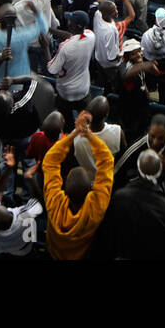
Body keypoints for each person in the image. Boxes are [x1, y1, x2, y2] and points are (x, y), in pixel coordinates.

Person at [42, 110, 114, 260]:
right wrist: (89, 135)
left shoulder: (54, 202)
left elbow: (50, 161)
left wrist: (74, 134)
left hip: (54, 253)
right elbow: (107, 161)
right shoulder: (95, 208)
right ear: (91, 191)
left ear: (65, 188)